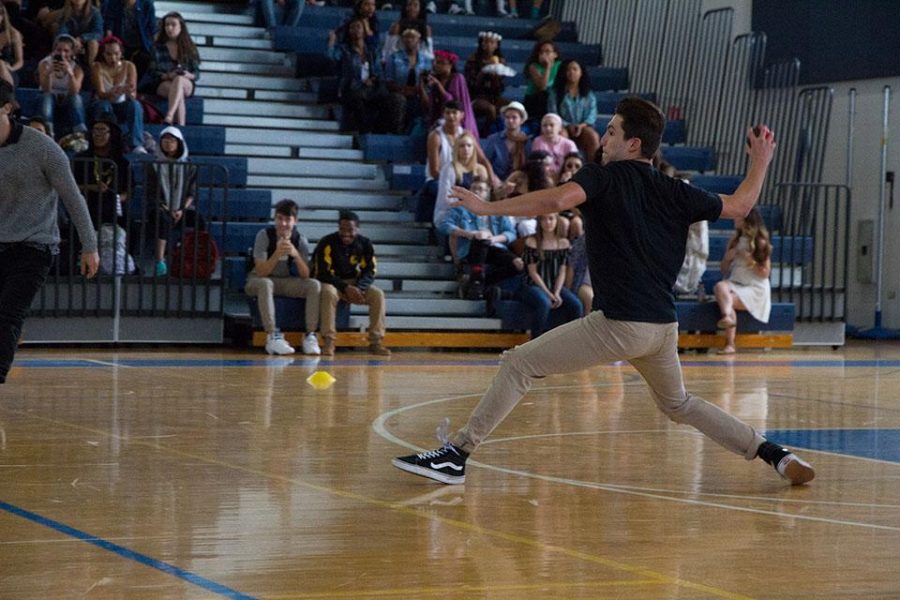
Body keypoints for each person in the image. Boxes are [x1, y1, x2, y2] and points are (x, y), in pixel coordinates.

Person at [392, 96, 816, 487]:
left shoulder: (603, 178)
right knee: (680, 405)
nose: (605, 137)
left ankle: (457, 454)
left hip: (619, 324)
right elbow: (741, 206)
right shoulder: (676, 190)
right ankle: (772, 452)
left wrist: (488, 207)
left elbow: (553, 202)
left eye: (611, 131)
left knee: (518, 364)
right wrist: (761, 161)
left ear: (632, 144)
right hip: (662, 327)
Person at [0, 80, 99, 384]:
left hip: (35, 246)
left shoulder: (41, 147)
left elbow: (73, 197)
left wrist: (90, 246)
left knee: (7, 314)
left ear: (6, 108)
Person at [245, 199, 322, 356]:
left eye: (288, 220)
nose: (283, 224)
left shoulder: (300, 240)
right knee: (266, 283)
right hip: (258, 280)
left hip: (284, 280)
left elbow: (305, 275)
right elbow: (261, 272)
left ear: (295, 221)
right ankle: (272, 335)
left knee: (314, 285)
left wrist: (295, 255)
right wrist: (277, 253)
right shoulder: (264, 236)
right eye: (280, 218)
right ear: (275, 219)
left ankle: (310, 335)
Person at [313, 210, 391, 357]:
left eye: (350, 230)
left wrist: (359, 288)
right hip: (333, 283)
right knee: (327, 292)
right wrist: (345, 288)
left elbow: (370, 270)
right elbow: (321, 273)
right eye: (342, 229)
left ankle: (376, 342)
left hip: (354, 283)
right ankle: (329, 341)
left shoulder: (365, 244)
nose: (345, 234)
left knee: (377, 294)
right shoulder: (327, 243)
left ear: (357, 229)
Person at [440, 177, 521, 302]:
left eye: (481, 189)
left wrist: (494, 239)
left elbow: (511, 233)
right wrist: (469, 234)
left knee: (519, 265)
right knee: (481, 238)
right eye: (474, 189)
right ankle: (477, 284)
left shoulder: (497, 209)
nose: (477, 192)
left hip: (493, 246)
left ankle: (477, 283)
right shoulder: (460, 210)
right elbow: (444, 225)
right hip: (471, 248)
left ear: (488, 192)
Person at [329, 17, 405, 134]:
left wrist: (373, 79)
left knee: (397, 99)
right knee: (357, 96)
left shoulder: (372, 51)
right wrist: (332, 41)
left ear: (364, 30)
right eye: (352, 27)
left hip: (372, 88)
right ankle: (364, 132)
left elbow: (379, 71)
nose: (355, 30)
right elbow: (331, 58)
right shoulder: (344, 50)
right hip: (353, 88)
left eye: (358, 27)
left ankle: (384, 134)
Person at [145, 126, 203, 277]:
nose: (167, 143)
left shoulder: (190, 166)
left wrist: (181, 209)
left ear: (179, 143)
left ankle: (196, 257)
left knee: (199, 220)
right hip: (160, 206)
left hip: (182, 207)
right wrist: (169, 209)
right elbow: (152, 193)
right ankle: (160, 261)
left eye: (171, 140)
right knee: (161, 218)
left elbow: (191, 193)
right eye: (164, 140)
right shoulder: (153, 166)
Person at [713, 207, 771, 355]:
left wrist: (750, 260)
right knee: (720, 286)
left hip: (755, 288)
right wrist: (727, 258)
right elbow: (724, 270)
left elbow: (765, 273)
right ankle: (727, 317)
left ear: (746, 220)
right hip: (736, 283)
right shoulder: (734, 240)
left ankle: (730, 344)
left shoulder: (760, 242)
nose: (734, 219)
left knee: (727, 299)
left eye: (737, 217)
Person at [515, 211, 582, 338]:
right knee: (544, 303)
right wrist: (548, 293)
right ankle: (535, 342)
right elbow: (533, 272)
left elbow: (562, 270)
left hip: (554, 285)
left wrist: (556, 292)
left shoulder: (564, 243)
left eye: (551, 219)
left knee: (576, 304)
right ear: (539, 222)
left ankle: (573, 341)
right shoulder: (532, 241)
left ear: (557, 221)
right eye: (544, 220)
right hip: (533, 284)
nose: (548, 223)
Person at [91, 34, 144, 151]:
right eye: (109, 54)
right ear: (103, 54)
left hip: (122, 105)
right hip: (104, 102)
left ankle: (136, 144)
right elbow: (100, 94)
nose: (113, 58)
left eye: (116, 54)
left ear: (121, 53)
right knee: (103, 105)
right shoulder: (97, 66)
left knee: (135, 105)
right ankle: (107, 142)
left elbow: (133, 94)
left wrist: (128, 92)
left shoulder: (129, 66)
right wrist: (112, 93)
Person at [149, 11, 199, 126]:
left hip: (186, 81)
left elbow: (196, 73)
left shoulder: (189, 47)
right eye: (167, 25)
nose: (169, 28)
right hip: (164, 82)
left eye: (173, 25)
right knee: (177, 91)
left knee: (179, 80)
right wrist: (167, 76)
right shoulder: (157, 48)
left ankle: (169, 116)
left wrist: (187, 74)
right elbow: (152, 73)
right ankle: (181, 126)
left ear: (181, 27)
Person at [420, 49, 479, 140]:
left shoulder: (457, 78)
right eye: (435, 62)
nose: (436, 65)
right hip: (442, 120)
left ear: (450, 65)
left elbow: (453, 104)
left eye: (441, 63)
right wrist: (421, 86)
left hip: (458, 121)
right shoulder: (436, 80)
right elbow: (428, 105)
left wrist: (438, 85)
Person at [550, 59, 600, 162]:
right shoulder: (555, 93)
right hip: (562, 126)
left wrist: (581, 126)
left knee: (592, 136)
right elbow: (553, 113)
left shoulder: (588, 94)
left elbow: (592, 114)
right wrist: (568, 125)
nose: (571, 72)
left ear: (581, 72)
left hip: (582, 127)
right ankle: (562, 171)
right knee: (561, 135)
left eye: (575, 69)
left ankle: (594, 170)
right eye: (568, 69)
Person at [38, 34, 87, 139]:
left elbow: (75, 91)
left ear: (72, 52)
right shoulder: (45, 64)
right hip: (49, 100)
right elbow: (46, 89)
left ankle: (80, 133)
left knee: (76, 98)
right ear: (54, 50)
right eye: (59, 50)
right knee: (47, 96)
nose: (62, 54)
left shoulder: (77, 68)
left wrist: (70, 74)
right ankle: (48, 131)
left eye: (66, 51)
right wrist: (49, 72)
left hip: (67, 101)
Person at [464, 31, 508, 138]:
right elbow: (472, 85)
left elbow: (499, 88)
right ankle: (484, 135)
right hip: (476, 96)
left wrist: (495, 76)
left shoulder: (500, 61)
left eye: (492, 42)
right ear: (481, 44)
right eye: (486, 42)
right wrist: (483, 72)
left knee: (511, 106)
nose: (489, 45)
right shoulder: (473, 60)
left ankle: (505, 135)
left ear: (497, 45)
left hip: (493, 96)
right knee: (491, 109)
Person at [100, 0, 157, 79]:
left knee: (145, 59)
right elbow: (109, 25)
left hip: (141, 45)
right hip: (120, 43)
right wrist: (110, 43)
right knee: (114, 57)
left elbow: (153, 28)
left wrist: (156, 47)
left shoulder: (147, 4)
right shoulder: (112, 3)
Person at [481, 100, 530, 182]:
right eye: (507, 117)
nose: (510, 120)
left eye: (514, 117)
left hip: (519, 182)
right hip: (495, 181)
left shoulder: (526, 141)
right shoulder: (493, 139)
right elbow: (485, 161)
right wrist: (494, 179)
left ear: (521, 120)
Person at [522, 40, 560, 128]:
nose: (544, 54)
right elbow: (542, 87)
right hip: (535, 99)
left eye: (547, 51)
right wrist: (548, 68)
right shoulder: (533, 67)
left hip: (554, 98)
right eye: (541, 52)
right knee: (544, 95)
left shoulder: (560, 66)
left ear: (555, 54)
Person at [56, 0, 103, 65]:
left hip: (87, 42)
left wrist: (81, 38)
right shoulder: (65, 13)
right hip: (71, 41)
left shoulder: (95, 12)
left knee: (93, 42)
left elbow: (98, 33)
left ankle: (91, 68)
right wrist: (72, 41)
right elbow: (62, 31)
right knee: (61, 40)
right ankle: (61, 64)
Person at [0, 3, 23, 87]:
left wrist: (11, 68)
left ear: (2, 16)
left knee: (1, 64)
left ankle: (8, 96)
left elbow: (20, 61)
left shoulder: (13, 34)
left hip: (8, 70)